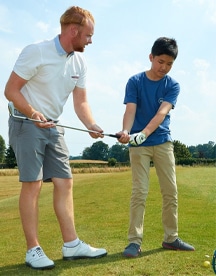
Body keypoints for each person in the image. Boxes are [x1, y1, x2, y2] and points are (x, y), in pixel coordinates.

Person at [4, 6, 107, 270]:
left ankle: (71, 245)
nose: (90, 41)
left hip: (54, 126)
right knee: (33, 185)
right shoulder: (36, 51)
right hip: (26, 123)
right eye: (87, 35)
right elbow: (11, 90)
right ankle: (33, 249)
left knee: (65, 183)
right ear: (74, 31)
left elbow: (81, 101)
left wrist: (91, 124)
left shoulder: (79, 62)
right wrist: (33, 113)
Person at [117, 37, 195, 257]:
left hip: (162, 142)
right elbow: (130, 110)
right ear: (151, 57)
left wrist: (144, 133)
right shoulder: (135, 81)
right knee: (139, 192)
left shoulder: (173, 85)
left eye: (169, 64)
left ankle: (171, 238)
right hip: (138, 146)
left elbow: (162, 113)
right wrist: (126, 131)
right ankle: (134, 242)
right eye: (160, 61)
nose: (164, 67)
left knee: (170, 192)